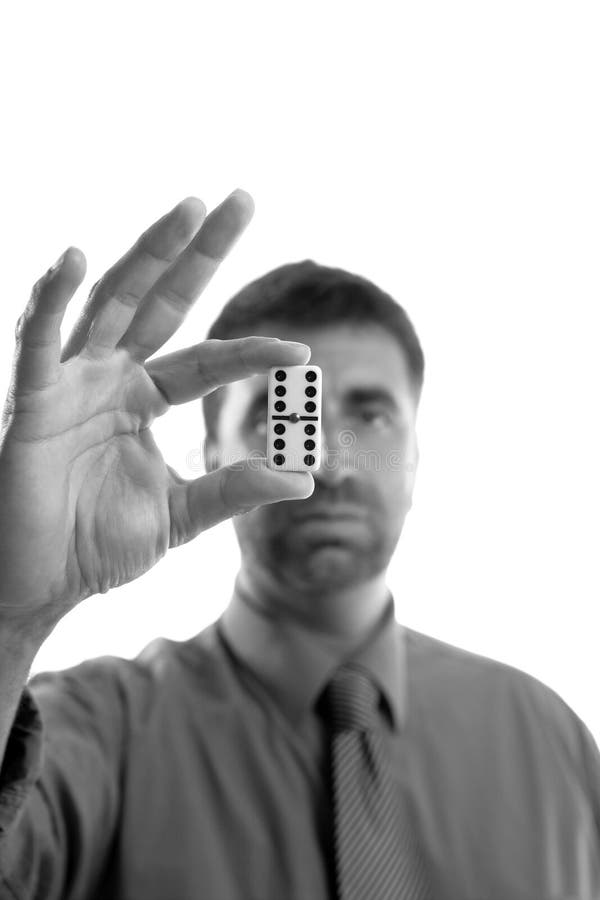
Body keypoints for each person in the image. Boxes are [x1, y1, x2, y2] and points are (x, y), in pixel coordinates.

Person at [0, 191, 598, 900]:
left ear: (417, 456)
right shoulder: (87, 733)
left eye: (371, 418)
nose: (331, 463)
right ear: (209, 448)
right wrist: (12, 617)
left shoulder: (549, 739)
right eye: (285, 418)